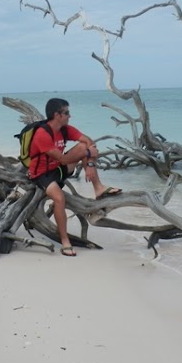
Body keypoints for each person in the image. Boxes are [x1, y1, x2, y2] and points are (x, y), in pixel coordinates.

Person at [28, 97, 122, 257]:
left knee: (84, 145)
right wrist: (87, 154)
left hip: (58, 169)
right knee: (59, 199)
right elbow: (63, 159)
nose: (69, 116)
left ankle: (98, 188)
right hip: (41, 175)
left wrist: (90, 164)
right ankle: (65, 241)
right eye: (67, 113)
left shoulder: (65, 129)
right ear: (57, 115)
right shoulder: (42, 134)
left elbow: (89, 141)